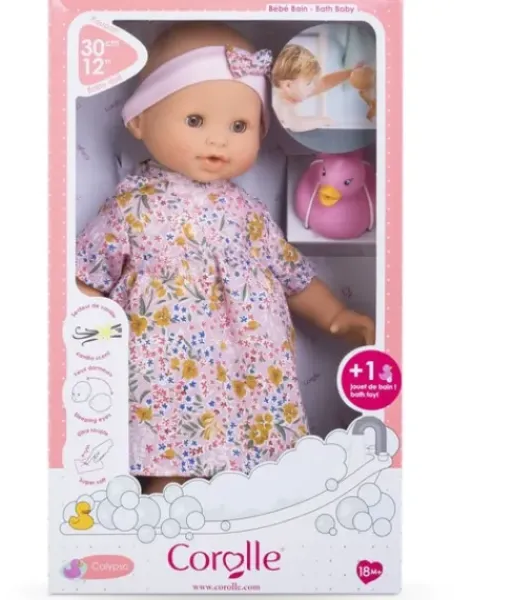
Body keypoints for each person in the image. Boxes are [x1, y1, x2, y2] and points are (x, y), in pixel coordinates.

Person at [75, 22, 375, 494]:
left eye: (239, 126)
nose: (219, 140)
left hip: (249, 372)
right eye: (195, 121)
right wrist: (94, 336)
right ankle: (161, 516)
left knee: (261, 475)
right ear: (139, 121)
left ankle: (261, 515)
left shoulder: (246, 211)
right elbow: (87, 275)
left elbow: (292, 274)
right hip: (167, 374)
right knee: (168, 468)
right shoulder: (131, 207)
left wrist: (337, 315)